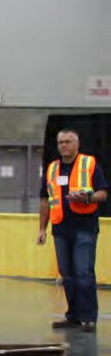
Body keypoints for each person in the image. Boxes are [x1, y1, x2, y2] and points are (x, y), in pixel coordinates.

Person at [37, 128, 106, 332]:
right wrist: (42, 228)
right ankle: (73, 316)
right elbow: (45, 199)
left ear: (77, 144)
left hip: (84, 227)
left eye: (68, 142)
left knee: (83, 272)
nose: (64, 146)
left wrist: (86, 197)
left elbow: (102, 193)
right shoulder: (52, 169)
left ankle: (88, 318)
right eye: (60, 142)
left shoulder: (89, 164)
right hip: (60, 228)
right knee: (66, 274)